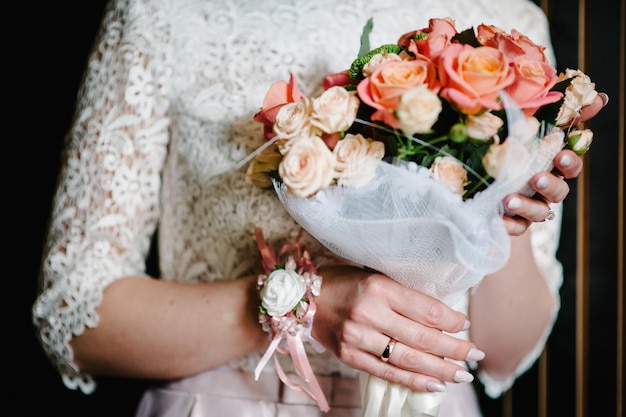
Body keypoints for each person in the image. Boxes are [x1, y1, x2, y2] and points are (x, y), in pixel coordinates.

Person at [32, 0, 607, 416]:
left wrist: (502, 215)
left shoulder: (509, 29)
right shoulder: (162, 15)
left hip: (427, 406)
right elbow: (75, 318)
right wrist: (305, 303)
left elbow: (503, 351)